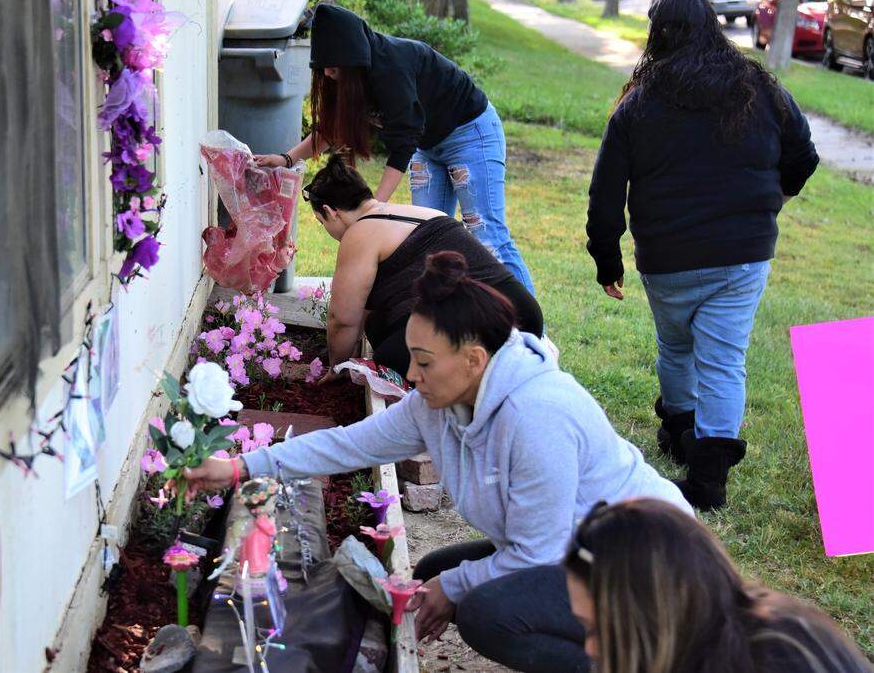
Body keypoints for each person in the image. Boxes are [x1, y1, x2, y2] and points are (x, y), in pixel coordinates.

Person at [183, 252, 691, 673]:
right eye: (411, 356)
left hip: (642, 564)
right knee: (431, 571)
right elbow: (351, 444)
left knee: (487, 614)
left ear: (473, 359)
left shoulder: (537, 416)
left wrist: (455, 587)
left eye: (424, 361)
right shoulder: (439, 403)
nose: (411, 373)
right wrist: (241, 467)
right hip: (570, 544)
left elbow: (540, 553)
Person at [585, 0, 819, 511]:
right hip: (744, 256)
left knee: (676, 347)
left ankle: (679, 429)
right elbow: (803, 155)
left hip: (669, 258)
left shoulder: (636, 102)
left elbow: (606, 193)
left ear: (657, 36)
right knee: (724, 360)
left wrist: (608, 258)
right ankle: (707, 476)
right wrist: (770, 205)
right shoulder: (759, 86)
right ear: (713, 27)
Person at [254, 3, 535, 293]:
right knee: (429, 241)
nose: (328, 73)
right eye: (323, 66)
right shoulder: (346, 74)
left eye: (334, 66)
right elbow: (332, 126)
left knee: (487, 235)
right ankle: (451, 325)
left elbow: (403, 143)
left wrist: (373, 212)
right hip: (428, 146)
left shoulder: (392, 67)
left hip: (470, 134)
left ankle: (530, 331)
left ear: (352, 56)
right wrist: (287, 158)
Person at [303, 154, 543, 378]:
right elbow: (363, 311)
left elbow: (343, 318)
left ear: (330, 212)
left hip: (475, 322)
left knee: (390, 355)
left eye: (320, 222)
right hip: (522, 311)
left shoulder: (358, 232)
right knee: (378, 323)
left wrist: (336, 370)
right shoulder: (422, 212)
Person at [564, 499, 872, 673]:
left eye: (598, 629)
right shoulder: (715, 631)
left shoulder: (766, 660)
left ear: (652, 613)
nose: (590, 647)